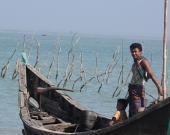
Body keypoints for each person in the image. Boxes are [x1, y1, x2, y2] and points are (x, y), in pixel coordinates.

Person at [128, 43, 163, 118]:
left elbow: (151, 74)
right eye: (132, 51)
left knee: (138, 112)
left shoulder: (143, 61)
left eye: (135, 51)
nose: (133, 53)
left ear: (140, 52)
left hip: (138, 89)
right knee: (132, 111)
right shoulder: (136, 62)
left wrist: (159, 87)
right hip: (132, 88)